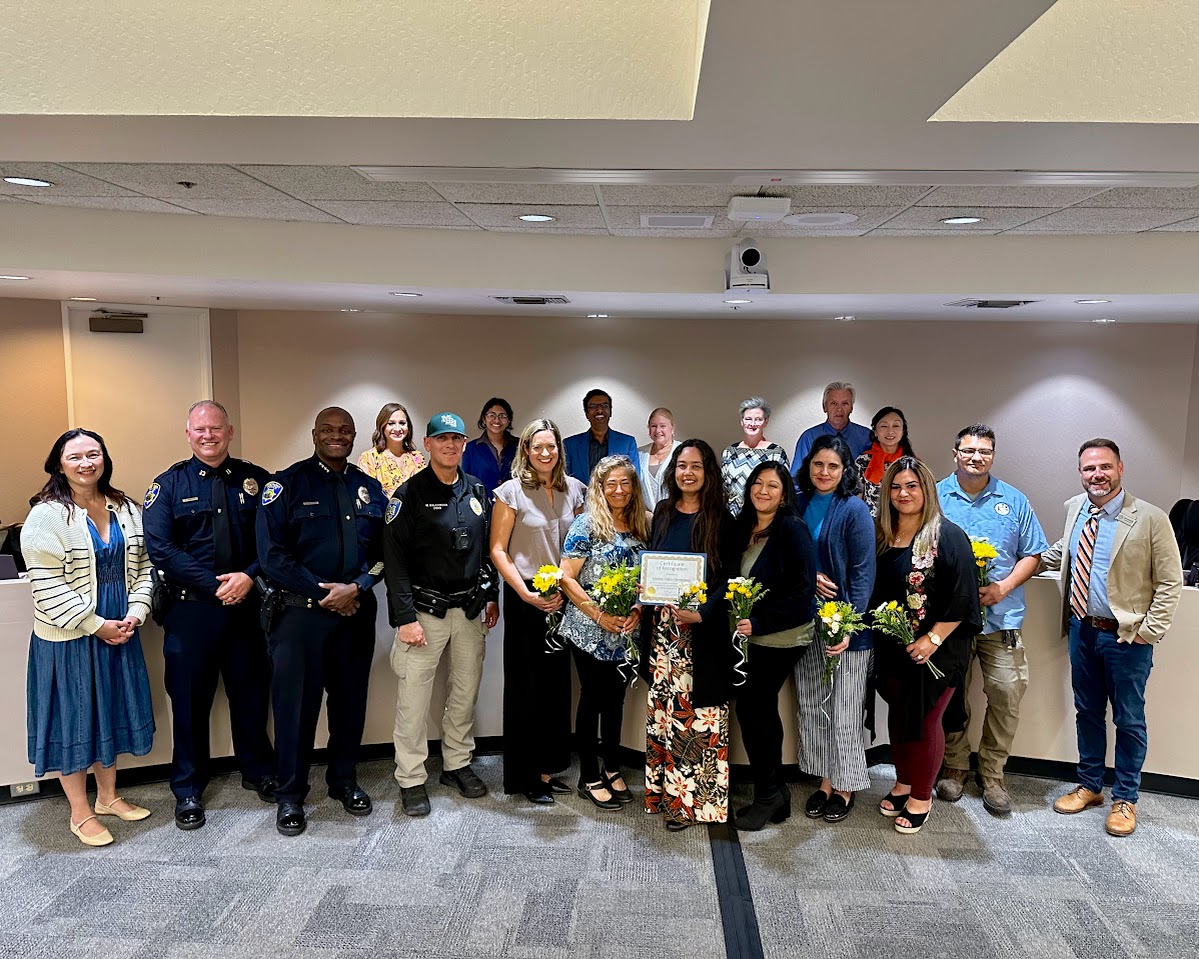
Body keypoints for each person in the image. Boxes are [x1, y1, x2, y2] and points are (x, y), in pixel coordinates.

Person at [143, 400, 276, 830]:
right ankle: (187, 788)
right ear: (187, 434)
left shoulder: (257, 481)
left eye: (216, 429)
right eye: (200, 430)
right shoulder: (167, 486)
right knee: (189, 701)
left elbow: (274, 541)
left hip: (246, 611)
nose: (208, 436)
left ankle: (258, 771)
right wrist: (216, 583)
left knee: (252, 695)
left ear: (230, 432)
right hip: (192, 611)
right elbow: (161, 547)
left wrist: (249, 577)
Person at [1039, 438, 1182, 837]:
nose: (1096, 475)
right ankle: (1090, 785)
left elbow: (1170, 581)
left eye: (1104, 467)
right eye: (1088, 469)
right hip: (1081, 631)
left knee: (1129, 719)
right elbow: (1061, 552)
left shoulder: (1150, 518)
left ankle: (1126, 798)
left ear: (1120, 468)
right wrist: (1014, 563)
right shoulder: (1074, 509)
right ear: (1080, 473)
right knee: (1087, 711)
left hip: (1125, 638)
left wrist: (1148, 632)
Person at [256, 407, 388, 837]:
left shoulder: (368, 488)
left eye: (345, 430)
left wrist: (360, 585)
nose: (337, 436)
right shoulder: (285, 485)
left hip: (356, 614)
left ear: (354, 436)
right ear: (314, 434)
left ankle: (343, 781)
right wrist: (325, 593)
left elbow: (386, 553)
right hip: (299, 618)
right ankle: (291, 795)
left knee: (350, 704)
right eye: (328, 430)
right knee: (296, 709)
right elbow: (272, 557)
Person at [22, 429, 155, 847]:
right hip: (71, 637)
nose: (85, 463)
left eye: (93, 454)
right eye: (75, 456)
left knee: (109, 711)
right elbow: (45, 585)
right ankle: (80, 812)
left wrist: (135, 614)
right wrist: (95, 624)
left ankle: (108, 797)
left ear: (104, 459)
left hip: (120, 629)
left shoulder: (126, 507)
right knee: (74, 718)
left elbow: (146, 567)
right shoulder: (46, 514)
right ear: (58, 463)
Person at [384, 412, 501, 817]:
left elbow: (486, 551)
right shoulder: (409, 495)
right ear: (429, 445)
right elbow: (394, 562)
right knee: (414, 700)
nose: (450, 445)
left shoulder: (477, 490)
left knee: (465, 693)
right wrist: (404, 618)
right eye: (442, 439)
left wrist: (490, 595)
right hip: (424, 612)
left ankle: (457, 763)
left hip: (468, 610)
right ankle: (411, 777)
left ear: (464, 444)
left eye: (457, 439)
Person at [934, 424, 1048, 816]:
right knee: (951, 696)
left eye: (984, 451)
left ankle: (993, 771)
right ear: (955, 453)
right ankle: (955, 764)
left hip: (1001, 619)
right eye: (968, 450)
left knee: (1006, 694)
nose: (975, 457)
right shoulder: (934, 495)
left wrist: (1002, 587)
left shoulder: (1013, 500)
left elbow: (1034, 553)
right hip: (949, 623)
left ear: (993, 456)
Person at [871, 457, 981, 835]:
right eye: (897, 487)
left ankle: (921, 795)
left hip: (937, 649)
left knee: (926, 719)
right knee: (900, 715)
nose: (904, 493)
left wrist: (932, 638)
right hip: (893, 648)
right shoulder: (882, 535)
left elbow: (964, 596)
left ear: (927, 490)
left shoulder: (947, 536)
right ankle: (903, 782)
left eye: (912, 486)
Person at [639, 440, 737, 830]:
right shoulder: (662, 512)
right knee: (666, 717)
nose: (688, 472)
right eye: (681, 465)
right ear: (673, 471)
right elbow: (653, 564)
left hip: (701, 633)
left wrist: (701, 613)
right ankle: (664, 796)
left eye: (696, 466)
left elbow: (729, 579)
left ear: (707, 472)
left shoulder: (722, 519)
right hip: (663, 634)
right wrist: (642, 597)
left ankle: (695, 806)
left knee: (699, 719)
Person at [489, 418, 586, 803]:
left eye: (552, 446)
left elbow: (581, 544)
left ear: (559, 450)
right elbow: (497, 549)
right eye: (537, 446)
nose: (545, 453)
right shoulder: (510, 492)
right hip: (526, 595)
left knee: (557, 686)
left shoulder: (574, 489)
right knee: (526, 687)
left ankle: (548, 768)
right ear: (526, 450)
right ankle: (526, 776)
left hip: (563, 595)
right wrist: (526, 595)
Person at [793, 436, 876, 825]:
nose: (824, 473)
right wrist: (809, 579)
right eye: (818, 465)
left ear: (845, 472)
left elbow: (862, 574)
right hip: (804, 623)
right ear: (808, 466)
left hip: (845, 629)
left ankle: (845, 786)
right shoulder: (796, 503)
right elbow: (786, 560)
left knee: (843, 709)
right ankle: (825, 781)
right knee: (813, 704)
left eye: (833, 467)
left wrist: (850, 625)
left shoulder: (854, 509)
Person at [730, 461, 817, 831]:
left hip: (781, 636)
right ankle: (776, 794)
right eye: (758, 484)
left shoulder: (792, 529)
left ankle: (767, 795)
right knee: (757, 709)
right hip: (750, 636)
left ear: (784, 496)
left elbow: (804, 591)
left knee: (754, 709)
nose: (763, 491)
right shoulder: (743, 526)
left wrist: (761, 622)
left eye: (773, 486)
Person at [560, 455, 649, 810]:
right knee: (593, 699)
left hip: (626, 629)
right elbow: (566, 577)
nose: (619, 490)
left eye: (625, 483)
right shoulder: (586, 525)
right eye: (610, 483)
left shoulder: (643, 524)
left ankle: (612, 767)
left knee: (616, 702)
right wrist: (598, 615)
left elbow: (650, 578)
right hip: (589, 629)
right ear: (599, 487)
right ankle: (589, 775)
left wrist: (639, 610)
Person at [720, 396, 790, 514]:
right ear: (741, 422)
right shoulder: (729, 452)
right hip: (731, 518)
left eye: (758, 419)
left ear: (765, 422)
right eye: (748, 419)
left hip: (763, 516)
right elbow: (723, 489)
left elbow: (784, 490)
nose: (752, 424)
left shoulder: (776, 453)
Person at [563, 388, 641, 485]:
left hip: (618, 498)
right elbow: (565, 482)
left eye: (605, 406)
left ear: (610, 411)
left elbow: (634, 481)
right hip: (582, 500)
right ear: (586, 413)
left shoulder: (627, 443)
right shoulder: (570, 445)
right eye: (593, 406)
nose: (599, 410)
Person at [793, 381, 873, 466]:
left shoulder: (867, 437)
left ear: (851, 408)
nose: (839, 409)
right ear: (825, 407)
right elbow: (796, 477)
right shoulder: (808, 438)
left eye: (845, 403)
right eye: (833, 403)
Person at [854, 406, 915, 517]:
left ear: (903, 431)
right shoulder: (863, 461)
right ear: (875, 432)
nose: (890, 431)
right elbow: (856, 500)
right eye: (884, 426)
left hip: (903, 522)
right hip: (871, 524)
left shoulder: (912, 463)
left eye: (896, 426)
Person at [357, 402, 427, 496]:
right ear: (382, 426)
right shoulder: (369, 458)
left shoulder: (417, 457)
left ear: (408, 426)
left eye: (402, 423)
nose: (397, 428)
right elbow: (366, 497)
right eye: (391, 423)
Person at [463, 397, 518, 493]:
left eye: (502, 416)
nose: (497, 420)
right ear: (484, 419)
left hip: (515, 504)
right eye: (491, 415)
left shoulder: (520, 446)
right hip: (482, 505)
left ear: (508, 420)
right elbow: (466, 482)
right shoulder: (471, 448)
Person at [637, 407, 681, 509]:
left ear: (672, 428)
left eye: (663, 426)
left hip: (676, 516)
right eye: (653, 426)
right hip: (646, 519)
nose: (658, 430)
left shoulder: (682, 451)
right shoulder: (639, 454)